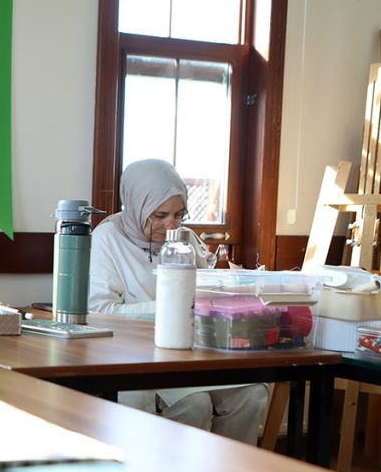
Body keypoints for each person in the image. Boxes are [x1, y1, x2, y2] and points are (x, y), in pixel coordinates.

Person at [89, 159, 266, 444]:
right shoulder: (106, 239)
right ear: (137, 206)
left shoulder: (184, 239)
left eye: (178, 214)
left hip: (190, 351)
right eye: (159, 215)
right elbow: (100, 311)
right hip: (137, 354)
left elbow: (207, 291)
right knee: (195, 404)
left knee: (252, 394)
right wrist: (170, 310)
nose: (170, 224)